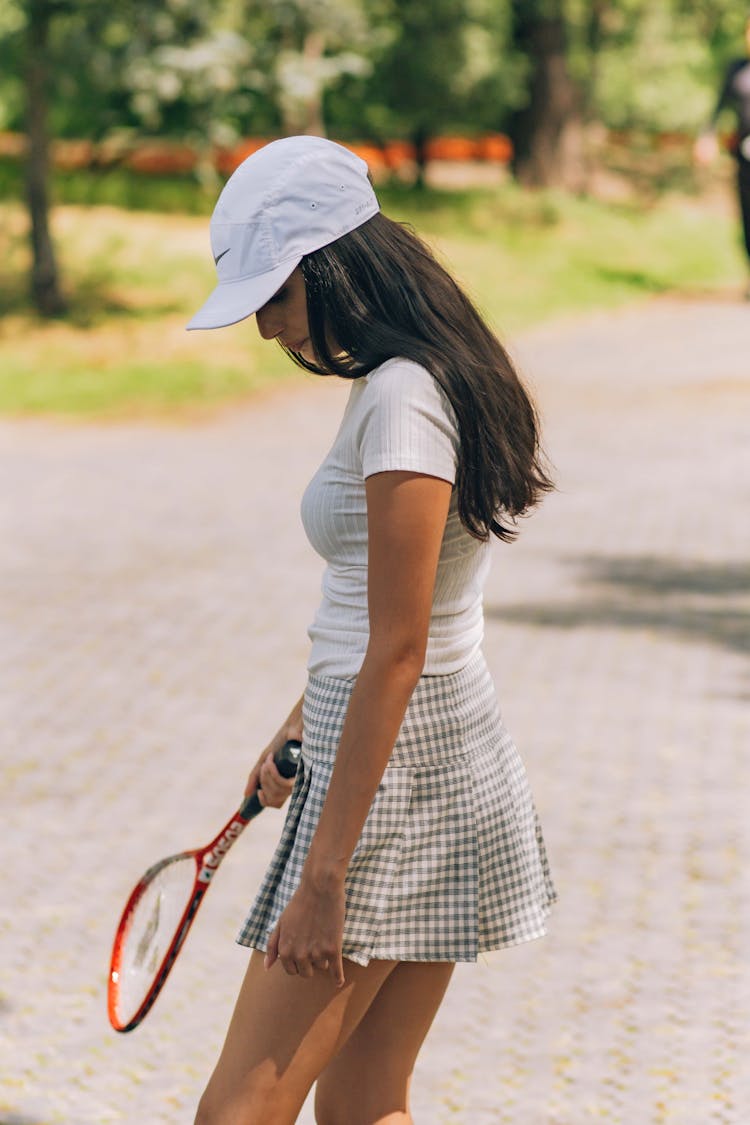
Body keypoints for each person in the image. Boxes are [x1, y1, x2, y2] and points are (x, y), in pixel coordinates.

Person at [187, 135, 556, 1125]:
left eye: (273, 297)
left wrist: (325, 878)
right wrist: (299, 718)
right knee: (362, 1106)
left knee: (237, 1115)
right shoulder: (419, 378)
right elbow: (387, 613)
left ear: (331, 268)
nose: (264, 329)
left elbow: (399, 647)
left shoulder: (402, 397)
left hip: (394, 782)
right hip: (426, 760)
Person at [693, 15, 750, 297]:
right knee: (747, 215)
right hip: (744, 155)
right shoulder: (736, 69)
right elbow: (719, 108)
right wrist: (707, 137)